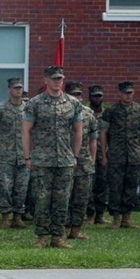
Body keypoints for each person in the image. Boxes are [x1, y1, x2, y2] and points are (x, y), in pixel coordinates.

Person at [22, 66, 83, 248]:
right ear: (45, 80)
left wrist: (75, 156)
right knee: (41, 199)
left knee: (62, 199)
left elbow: (78, 131)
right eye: (54, 78)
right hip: (42, 159)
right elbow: (26, 131)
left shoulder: (73, 103)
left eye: (60, 78)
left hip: (64, 159)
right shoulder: (34, 103)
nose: (57, 81)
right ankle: (41, 236)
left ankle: (58, 237)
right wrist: (27, 157)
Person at [101, 80, 140, 229]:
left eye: (130, 93)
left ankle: (126, 218)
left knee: (131, 186)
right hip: (116, 154)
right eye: (125, 93)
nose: (128, 96)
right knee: (115, 186)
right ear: (119, 93)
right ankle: (115, 218)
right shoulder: (111, 111)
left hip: (133, 154)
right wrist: (104, 154)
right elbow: (104, 133)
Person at [0, 77, 30, 229]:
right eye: (15, 88)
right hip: (5, 155)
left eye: (20, 88)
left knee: (22, 187)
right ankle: (5, 216)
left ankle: (17, 217)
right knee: (4, 186)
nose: (18, 90)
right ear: (9, 90)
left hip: (24, 156)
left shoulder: (29, 108)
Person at [66, 82, 99, 240]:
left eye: (79, 94)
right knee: (64, 197)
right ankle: (62, 228)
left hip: (84, 163)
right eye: (73, 94)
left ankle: (76, 229)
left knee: (81, 197)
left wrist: (92, 160)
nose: (77, 97)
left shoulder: (88, 114)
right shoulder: (63, 112)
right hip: (64, 161)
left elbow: (93, 140)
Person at [86, 85, 109, 224]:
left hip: (103, 154)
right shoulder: (85, 113)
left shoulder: (107, 114)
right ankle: (89, 214)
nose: (97, 98)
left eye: (99, 95)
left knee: (102, 184)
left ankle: (100, 215)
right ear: (89, 97)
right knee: (88, 185)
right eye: (95, 95)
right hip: (87, 154)